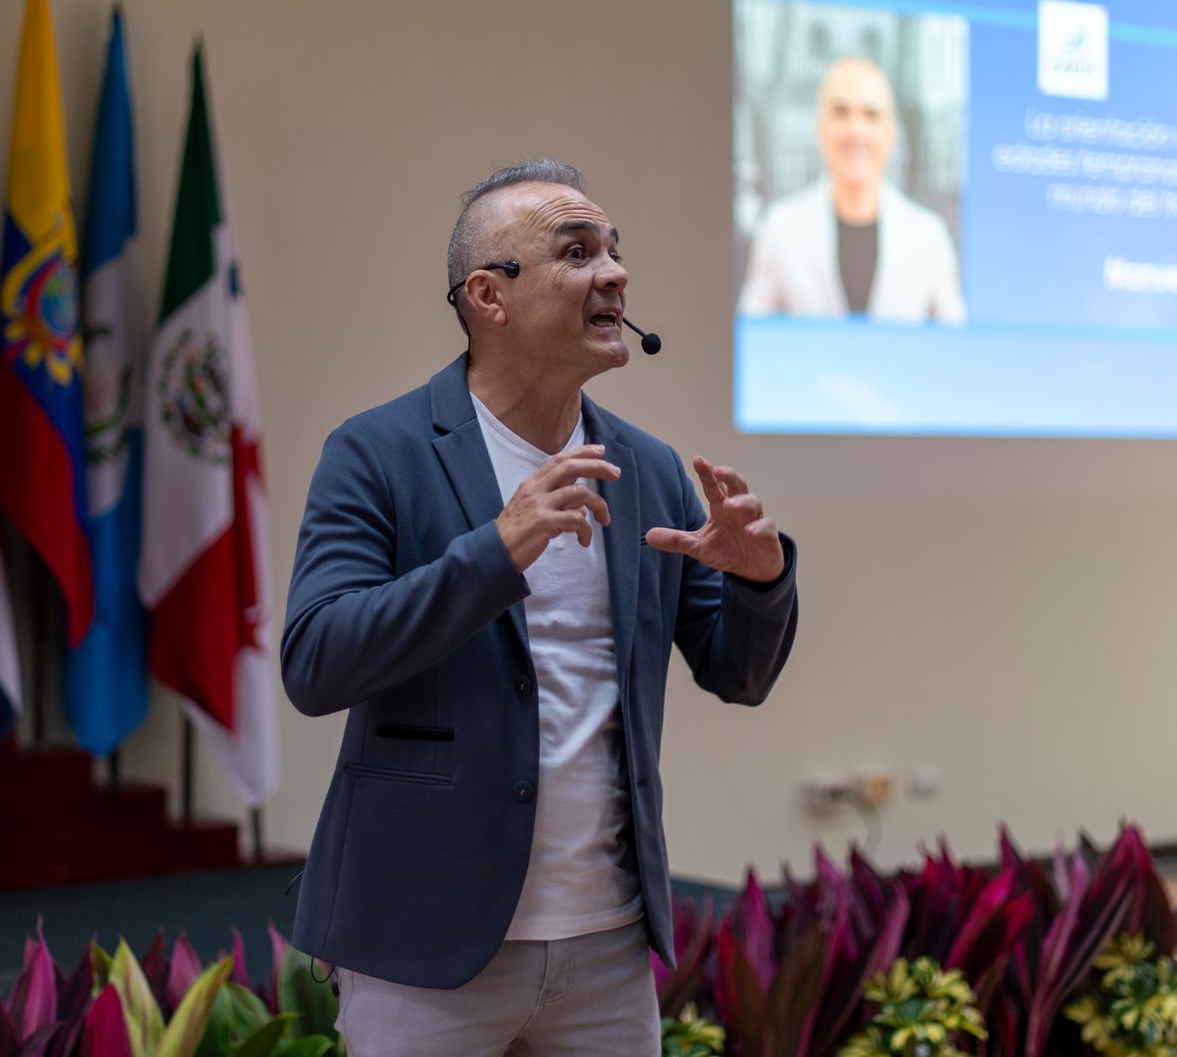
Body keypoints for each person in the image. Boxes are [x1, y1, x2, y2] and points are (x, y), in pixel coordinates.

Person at [281, 159, 800, 1056]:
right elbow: (317, 660)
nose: (614, 273)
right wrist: (496, 550)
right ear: (489, 295)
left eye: (614, 250)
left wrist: (760, 581)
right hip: (424, 943)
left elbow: (738, 674)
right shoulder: (378, 452)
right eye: (577, 251)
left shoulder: (648, 468)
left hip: (605, 945)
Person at [738, 55, 966, 323]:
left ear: (891, 133)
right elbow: (751, 341)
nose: (856, 130)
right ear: (820, 128)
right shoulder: (779, 229)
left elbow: (955, 348)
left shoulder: (929, 236)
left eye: (871, 115)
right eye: (841, 113)